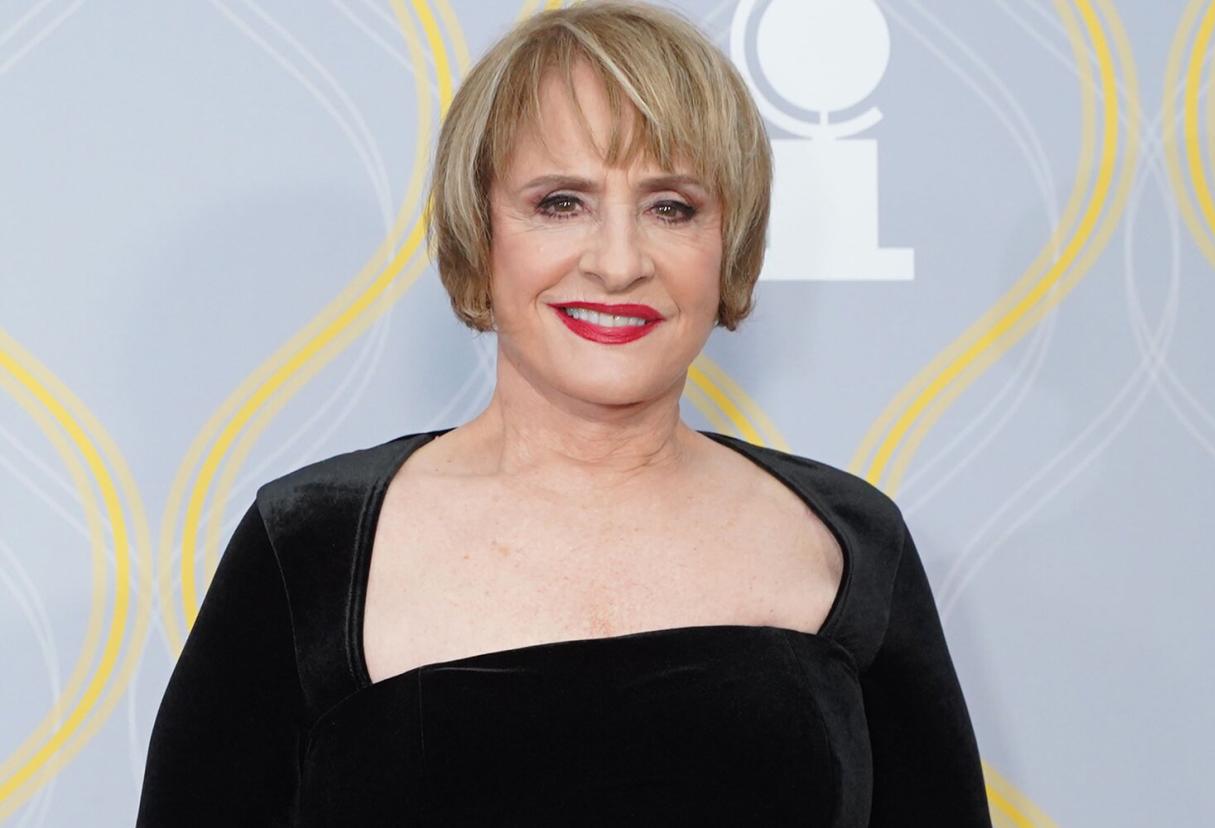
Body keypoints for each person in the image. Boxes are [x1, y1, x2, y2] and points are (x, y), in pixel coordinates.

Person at [136, 2, 993, 825]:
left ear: (728, 243)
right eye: (560, 202)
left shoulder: (846, 541)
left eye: (672, 207)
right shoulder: (310, 545)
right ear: (481, 233)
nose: (619, 262)